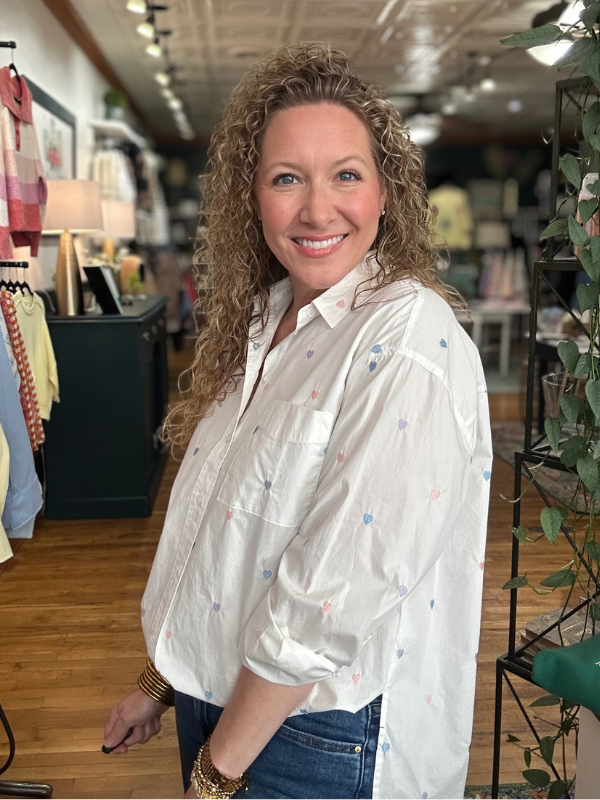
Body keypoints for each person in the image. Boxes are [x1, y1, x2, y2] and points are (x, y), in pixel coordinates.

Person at [103, 43, 492, 800]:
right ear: (253, 196)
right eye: (288, 178)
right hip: (227, 702)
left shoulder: (408, 343)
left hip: (314, 736)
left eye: (346, 174)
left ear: (386, 193)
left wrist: (217, 773)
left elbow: (327, 603)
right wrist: (162, 684)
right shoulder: (270, 320)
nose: (318, 209)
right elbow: (228, 534)